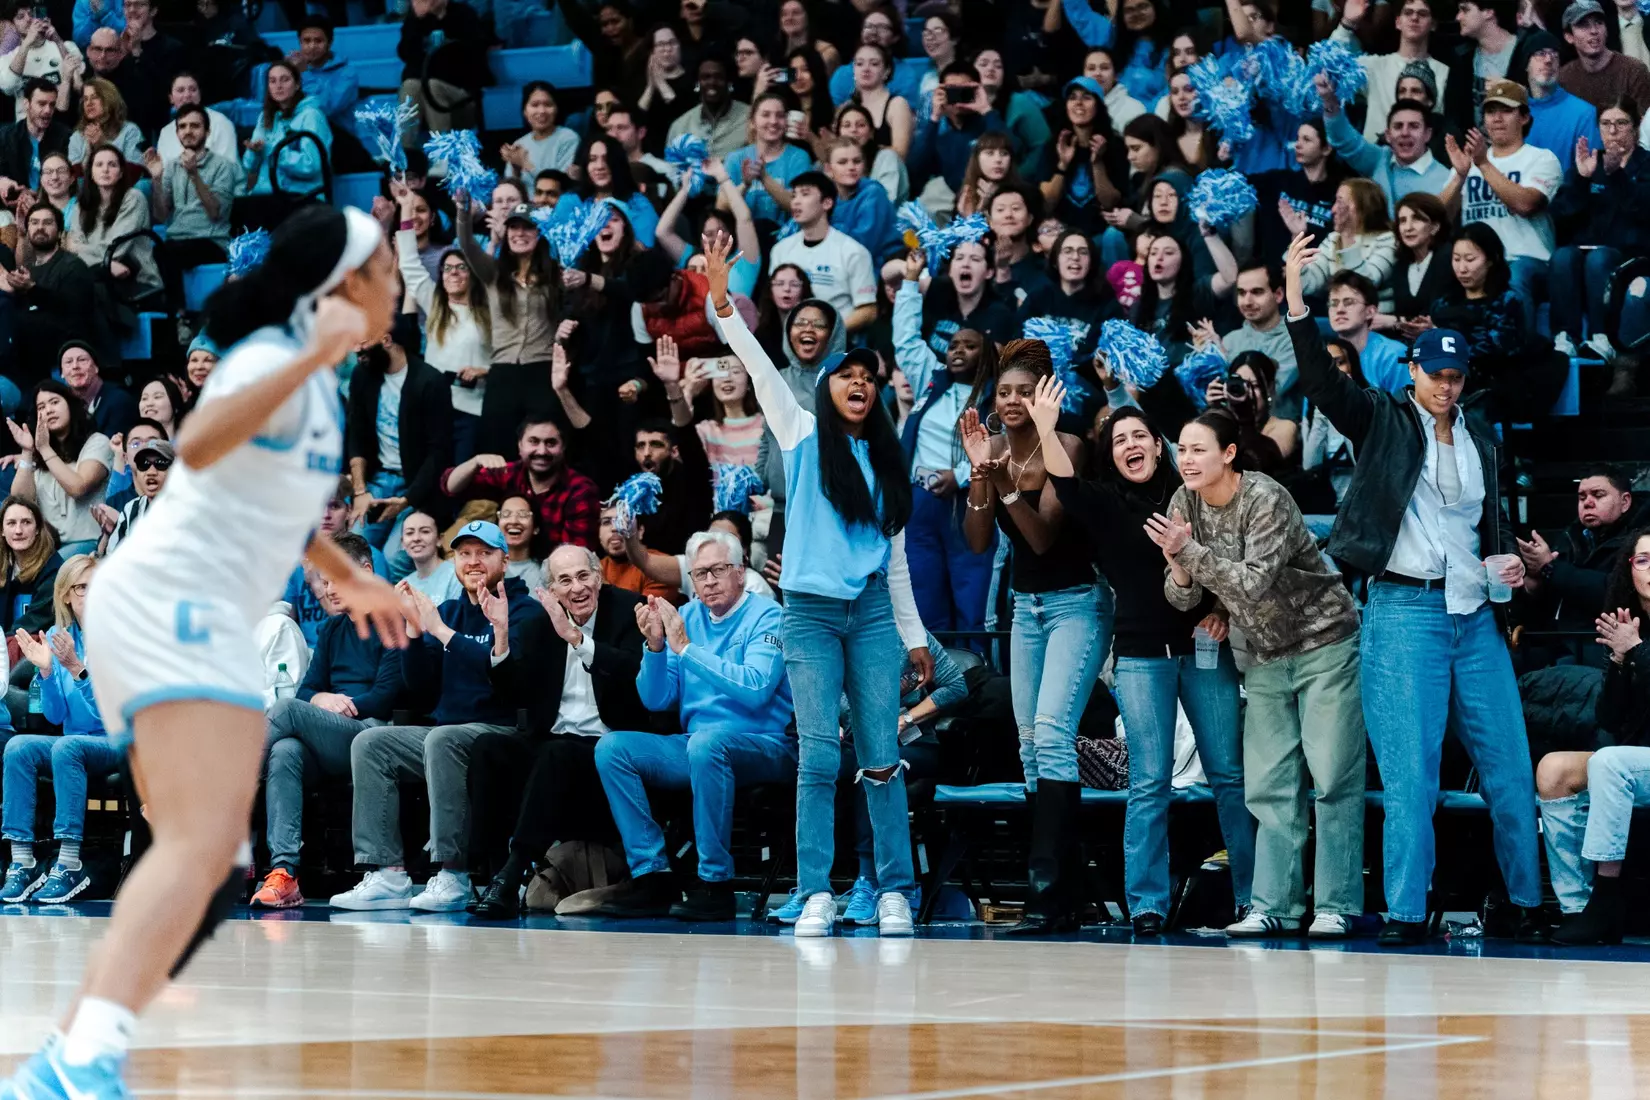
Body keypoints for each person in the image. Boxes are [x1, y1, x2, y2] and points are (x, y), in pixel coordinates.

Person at [0, 204, 408, 1098]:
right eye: (386, 267)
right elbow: (196, 442)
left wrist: (354, 575)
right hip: (167, 600)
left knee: (215, 865)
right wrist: (306, 351)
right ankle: (78, 1061)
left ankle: (70, 1055)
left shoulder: (316, 386)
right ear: (342, 286)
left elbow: (279, 507)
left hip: (199, 611)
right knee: (196, 849)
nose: (399, 280)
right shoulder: (278, 361)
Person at [1284, 232, 1544, 946]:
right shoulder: (1382, 420)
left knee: (1511, 772)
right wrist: (1294, 300)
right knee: (1411, 781)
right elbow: (1320, 384)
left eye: (1456, 377)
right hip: (1402, 611)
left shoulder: (1485, 440)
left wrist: (1510, 570)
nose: (1447, 386)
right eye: (1437, 374)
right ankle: (1405, 910)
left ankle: (1526, 900)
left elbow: (1495, 528)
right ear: (1413, 372)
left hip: (1474, 618)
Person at [706, 229, 931, 938]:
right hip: (805, 614)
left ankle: (896, 889)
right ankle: (815, 893)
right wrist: (720, 303)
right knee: (818, 755)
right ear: (828, 389)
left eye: (868, 377)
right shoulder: (800, 433)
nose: (859, 383)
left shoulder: (890, 465)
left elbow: (893, 564)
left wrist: (914, 638)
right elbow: (754, 358)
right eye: (847, 375)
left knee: (881, 754)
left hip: (867, 615)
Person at [1145, 407, 1365, 939]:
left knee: (1333, 777)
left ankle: (1335, 904)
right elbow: (1183, 596)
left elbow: (1254, 582)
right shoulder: (1183, 503)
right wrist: (1179, 567)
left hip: (1324, 643)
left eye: (1199, 449)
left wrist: (1188, 553)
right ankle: (1272, 906)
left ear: (1228, 454)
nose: (1187, 459)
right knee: (1269, 786)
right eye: (1181, 450)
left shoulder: (1265, 497)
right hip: (1261, 654)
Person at [1043, 400, 1253, 936]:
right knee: (1149, 782)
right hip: (1138, 656)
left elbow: (1235, 555)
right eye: (1118, 440)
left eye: (1140, 435)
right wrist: (1047, 428)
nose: (1130, 445)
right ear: (1109, 457)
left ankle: (1255, 899)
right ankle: (1147, 904)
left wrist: (1224, 610)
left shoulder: (1194, 492)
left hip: (1206, 650)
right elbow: (1064, 485)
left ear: (1160, 446)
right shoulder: (1107, 504)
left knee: (1230, 777)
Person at [958, 343, 1108, 936]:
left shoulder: (1066, 447)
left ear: (1045, 394)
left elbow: (1044, 539)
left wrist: (1006, 486)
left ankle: (1047, 892)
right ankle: (1063, 889)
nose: (1013, 401)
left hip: (1077, 603)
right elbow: (974, 541)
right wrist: (978, 475)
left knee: (1051, 734)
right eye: (1004, 393)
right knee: (1027, 745)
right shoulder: (990, 449)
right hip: (1026, 608)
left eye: (1025, 391)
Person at [331, 521, 538, 913]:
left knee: (443, 740)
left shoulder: (524, 610)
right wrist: (412, 630)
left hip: (501, 730)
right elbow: (422, 690)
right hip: (446, 731)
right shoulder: (450, 611)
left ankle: (453, 874)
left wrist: (441, 632)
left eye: (483, 553)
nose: (473, 561)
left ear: (504, 560)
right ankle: (388, 874)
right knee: (372, 742)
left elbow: (508, 679)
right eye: (464, 553)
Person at [588, 532, 796, 920]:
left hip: (766, 744)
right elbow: (656, 698)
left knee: (707, 744)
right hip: (697, 744)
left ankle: (716, 884)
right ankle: (652, 875)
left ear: (740, 572)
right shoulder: (687, 617)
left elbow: (755, 689)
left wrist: (685, 649)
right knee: (613, 748)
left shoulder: (769, 615)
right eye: (700, 574)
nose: (709, 581)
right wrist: (654, 648)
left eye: (718, 570)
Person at [468, 544, 651, 919]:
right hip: (553, 740)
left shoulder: (629, 611)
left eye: (583, 576)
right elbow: (513, 694)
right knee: (488, 748)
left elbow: (636, 674)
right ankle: (486, 874)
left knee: (557, 754)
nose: (576, 588)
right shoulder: (539, 623)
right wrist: (501, 634)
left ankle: (513, 870)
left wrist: (577, 639)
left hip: (611, 746)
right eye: (564, 581)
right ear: (552, 590)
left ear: (599, 578)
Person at [251, 533, 404, 910]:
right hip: (333, 733)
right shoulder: (334, 628)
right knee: (285, 750)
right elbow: (307, 691)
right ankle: (285, 872)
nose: (328, 589)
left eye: (336, 578)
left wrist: (340, 704)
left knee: (284, 712)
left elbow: (388, 694)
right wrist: (321, 699)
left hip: (374, 732)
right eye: (325, 580)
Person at [1534, 528, 1650, 945]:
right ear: (1629, 570)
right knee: (1555, 769)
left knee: (1609, 761)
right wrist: (1619, 663)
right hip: (1640, 760)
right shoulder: (1629, 627)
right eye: (1643, 560)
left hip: (1632, 762)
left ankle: (1606, 898)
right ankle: (1577, 906)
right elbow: (1610, 718)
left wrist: (1636, 651)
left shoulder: (1636, 638)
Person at [0, 554, 119, 905]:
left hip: (119, 741)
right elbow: (54, 716)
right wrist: (49, 673)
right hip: (74, 740)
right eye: (82, 588)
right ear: (66, 595)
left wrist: (78, 670)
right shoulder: (57, 636)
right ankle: (22, 861)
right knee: (19, 746)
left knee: (66, 748)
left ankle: (69, 863)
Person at [893, 254, 995, 635]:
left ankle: (977, 677)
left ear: (985, 356)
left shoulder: (997, 398)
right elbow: (905, 340)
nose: (956, 350)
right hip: (919, 502)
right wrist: (909, 280)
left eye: (968, 346)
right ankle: (935, 681)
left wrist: (964, 475)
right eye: (953, 344)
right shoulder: (931, 381)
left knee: (972, 595)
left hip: (970, 501)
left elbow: (1006, 449)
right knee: (923, 593)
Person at [1439, 79, 1563, 333]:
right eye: (1490, 111)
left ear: (1525, 117)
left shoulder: (1541, 158)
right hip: (1474, 262)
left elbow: (1525, 204)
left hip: (1526, 259)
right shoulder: (1466, 163)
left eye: (1506, 110)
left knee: (1513, 279)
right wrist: (1461, 175)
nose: (1496, 118)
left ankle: (1519, 358)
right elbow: (1439, 220)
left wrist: (1483, 163)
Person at [455, 198, 561, 455]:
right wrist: (463, 212)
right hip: (502, 373)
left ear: (540, 233)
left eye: (527, 227)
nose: (519, 234)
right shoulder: (494, 272)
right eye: (514, 227)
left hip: (543, 371)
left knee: (541, 449)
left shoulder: (557, 275)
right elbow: (467, 245)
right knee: (498, 449)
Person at [1549, 96, 1650, 362]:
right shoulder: (1589, 162)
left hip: (1633, 257)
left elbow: (1644, 209)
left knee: (1599, 258)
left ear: (1637, 125)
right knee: (1562, 256)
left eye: (1621, 123)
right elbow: (1559, 216)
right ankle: (1565, 337)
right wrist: (1582, 180)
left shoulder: (1646, 163)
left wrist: (1617, 175)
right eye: (1605, 124)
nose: (1613, 131)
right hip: (1586, 253)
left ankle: (1601, 337)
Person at [345, 320, 455, 554]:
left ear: (386, 340)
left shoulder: (430, 381)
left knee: (395, 557)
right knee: (355, 549)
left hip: (417, 487)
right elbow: (356, 436)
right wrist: (360, 491)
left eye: (364, 347)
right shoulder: (362, 375)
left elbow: (439, 452)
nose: (357, 352)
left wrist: (407, 500)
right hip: (378, 481)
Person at [442, 415, 601, 550]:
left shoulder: (581, 490)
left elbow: (576, 555)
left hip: (559, 574)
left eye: (551, 443)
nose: (542, 451)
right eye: (534, 441)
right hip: (509, 566)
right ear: (520, 445)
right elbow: (451, 487)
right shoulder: (508, 473)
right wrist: (474, 462)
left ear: (563, 447)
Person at [1519, 464, 1641, 637]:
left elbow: (1614, 591)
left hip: (1601, 646)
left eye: (1598, 495)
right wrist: (1534, 579)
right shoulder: (1570, 537)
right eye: (1582, 497)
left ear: (1625, 502)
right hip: (1555, 641)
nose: (1588, 503)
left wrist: (1550, 568)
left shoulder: (1640, 542)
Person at [145, 104, 241, 315]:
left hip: (211, 240)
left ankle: (180, 313)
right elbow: (161, 215)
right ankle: (175, 314)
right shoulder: (171, 166)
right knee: (154, 250)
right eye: (182, 126)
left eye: (195, 126)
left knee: (166, 252)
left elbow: (216, 213)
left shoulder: (223, 166)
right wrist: (157, 179)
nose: (188, 131)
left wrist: (194, 174)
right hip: (177, 240)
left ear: (207, 132)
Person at [7, 380, 113, 557]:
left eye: (54, 402)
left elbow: (78, 487)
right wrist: (27, 451)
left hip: (88, 544)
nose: (48, 410)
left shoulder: (97, 442)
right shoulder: (40, 452)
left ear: (71, 405)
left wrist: (44, 449)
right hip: (46, 545)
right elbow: (21, 501)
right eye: (41, 406)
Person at [768, 171, 877, 334]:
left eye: (805, 194)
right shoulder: (780, 249)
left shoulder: (853, 252)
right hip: (789, 340)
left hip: (837, 343)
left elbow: (868, 311)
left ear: (827, 203)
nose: (796, 202)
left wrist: (828, 335)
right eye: (793, 196)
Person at [1331, 0, 1451, 144]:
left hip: (1421, 160)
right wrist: (1347, 24)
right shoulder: (1374, 66)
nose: (1414, 18)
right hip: (1375, 160)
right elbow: (1329, 67)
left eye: (1422, 14)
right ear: (1398, 22)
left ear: (1433, 25)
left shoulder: (1446, 72)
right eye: (1408, 13)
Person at [9, 204, 103, 386]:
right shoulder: (28, 270)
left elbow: (73, 310)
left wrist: (33, 290)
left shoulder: (73, 266)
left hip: (61, 357)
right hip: (28, 360)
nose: (40, 227)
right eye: (34, 223)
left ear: (60, 232)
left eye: (47, 222)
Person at [1321, 93, 1451, 211]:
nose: (1405, 133)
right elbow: (1343, 139)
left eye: (1414, 126)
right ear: (1388, 135)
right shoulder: (1380, 158)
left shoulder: (1446, 179)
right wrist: (1329, 100)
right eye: (1398, 126)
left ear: (1427, 134)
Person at [1297, 178, 1398, 312]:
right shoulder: (1333, 239)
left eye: (1340, 202)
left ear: (1363, 206)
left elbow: (1363, 287)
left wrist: (1347, 236)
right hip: (1339, 317)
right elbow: (1309, 285)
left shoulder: (1388, 240)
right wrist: (1297, 238)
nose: (1333, 210)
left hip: (1375, 321)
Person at [240, 61, 333, 204]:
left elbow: (311, 166)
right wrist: (254, 152)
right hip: (267, 195)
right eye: (272, 81)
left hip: (302, 197)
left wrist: (273, 151)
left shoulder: (312, 116)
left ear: (297, 85)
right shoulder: (265, 117)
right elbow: (249, 166)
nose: (278, 86)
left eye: (285, 79)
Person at [397, 0, 488, 141]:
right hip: (426, 98)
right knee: (410, 85)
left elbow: (472, 56)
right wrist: (417, 21)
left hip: (462, 98)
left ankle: (442, 155)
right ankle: (406, 153)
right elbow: (405, 54)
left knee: (433, 86)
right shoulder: (416, 20)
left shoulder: (464, 15)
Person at [1218, 264, 1299, 416]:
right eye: (1241, 293)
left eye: (1257, 292)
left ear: (1279, 294)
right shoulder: (1229, 341)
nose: (1247, 301)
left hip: (1281, 432)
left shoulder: (1296, 339)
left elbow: (1271, 390)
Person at [1560, 0, 1650, 109]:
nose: (1594, 30)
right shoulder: (1564, 79)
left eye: (1598, 22)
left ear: (1606, 30)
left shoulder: (1634, 71)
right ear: (1569, 37)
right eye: (1584, 25)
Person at [1526, 32, 1602, 161]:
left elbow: (1590, 170)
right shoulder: (1512, 111)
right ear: (1526, 64)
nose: (1549, 60)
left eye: (1554, 54)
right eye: (1540, 54)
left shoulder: (1584, 114)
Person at [665, 55, 750, 160]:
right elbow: (672, 170)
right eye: (706, 77)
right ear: (697, 83)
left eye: (719, 77)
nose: (712, 82)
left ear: (729, 82)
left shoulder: (750, 118)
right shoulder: (680, 126)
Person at [0, 495, 61, 637]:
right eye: (11, 523)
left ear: (38, 528)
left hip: (39, 648)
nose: (18, 531)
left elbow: (35, 623)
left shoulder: (53, 570)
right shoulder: (5, 568)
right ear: (2, 530)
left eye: (26, 522)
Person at [97, 436, 169, 554]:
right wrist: (108, 533)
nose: (151, 472)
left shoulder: (188, 507)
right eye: (144, 464)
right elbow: (112, 558)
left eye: (160, 463)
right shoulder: (130, 508)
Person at [0, 78, 69, 198]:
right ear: (27, 104)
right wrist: (3, 182)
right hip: (14, 203)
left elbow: (71, 180)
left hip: (52, 204)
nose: (48, 110)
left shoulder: (65, 137)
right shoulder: (6, 136)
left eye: (52, 105)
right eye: (41, 104)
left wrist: (37, 198)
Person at [57, 341, 137, 439]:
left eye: (82, 360)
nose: (75, 366)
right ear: (62, 373)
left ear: (96, 367)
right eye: (68, 362)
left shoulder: (119, 401)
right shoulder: (62, 406)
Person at [502, 81, 580, 180]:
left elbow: (560, 183)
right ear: (525, 111)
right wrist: (516, 170)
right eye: (535, 105)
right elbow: (510, 189)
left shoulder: (568, 138)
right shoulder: (519, 144)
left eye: (548, 104)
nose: (542, 111)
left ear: (556, 109)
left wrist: (526, 164)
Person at [155, 72, 236, 166]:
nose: (187, 95)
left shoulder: (221, 123)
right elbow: (165, 174)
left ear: (199, 95)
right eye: (180, 90)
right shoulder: (166, 132)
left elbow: (228, 168)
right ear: (171, 98)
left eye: (193, 90)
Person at [67, 78, 141, 167]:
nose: (89, 103)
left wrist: (103, 144)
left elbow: (135, 172)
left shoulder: (130, 131)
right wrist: (88, 150)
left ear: (109, 98)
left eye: (95, 97)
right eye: (85, 99)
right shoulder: (77, 137)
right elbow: (77, 177)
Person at [397, 510, 462, 603]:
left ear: (439, 539)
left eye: (425, 531)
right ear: (402, 542)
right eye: (409, 533)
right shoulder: (404, 585)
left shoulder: (456, 576)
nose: (416, 538)